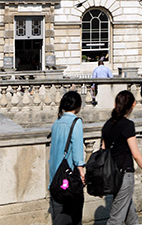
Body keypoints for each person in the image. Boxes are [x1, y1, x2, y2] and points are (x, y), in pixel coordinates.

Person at [101, 90, 142, 224]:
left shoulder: (107, 125)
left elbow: (103, 150)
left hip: (112, 175)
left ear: (115, 104)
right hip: (124, 174)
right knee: (116, 219)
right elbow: (136, 154)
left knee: (130, 214)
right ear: (133, 105)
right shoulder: (127, 125)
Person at [49, 91, 85, 225]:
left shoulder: (56, 122)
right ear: (78, 106)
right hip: (69, 176)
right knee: (74, 217)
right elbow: (77, 150)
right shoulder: (76, 122)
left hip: (55, 175)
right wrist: (82, 172)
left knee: (59, 215)